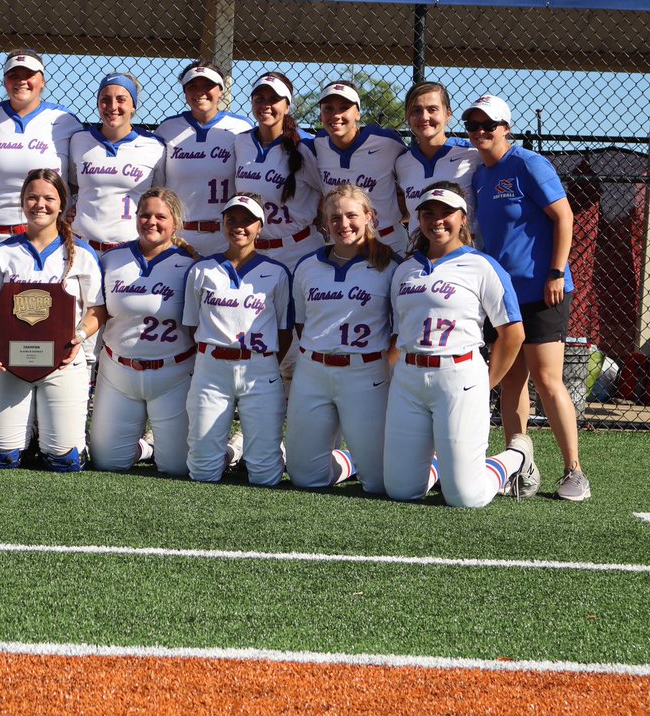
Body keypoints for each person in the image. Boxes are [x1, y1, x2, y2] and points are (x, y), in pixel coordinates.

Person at [465, 94, 588, 500]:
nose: (480, 132)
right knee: (510, 379)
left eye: (488, 125)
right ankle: (520, 466)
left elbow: (564, 216)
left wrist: (556, 271)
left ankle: (574, 471)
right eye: (473, 125)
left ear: (506, 128)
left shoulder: (529, 164)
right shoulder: (479, 174)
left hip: (541, 289)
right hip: (500, 295)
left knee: (547, 378)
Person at [384, 182, 536, 507]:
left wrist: (486, 383)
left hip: (459, 375)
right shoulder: (405, 270)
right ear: (418, 219)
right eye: (429, 213)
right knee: (401, 490)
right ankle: (447, 466)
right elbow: (398, 334)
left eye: (446, 213)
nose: (437, 221)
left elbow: (513, 333)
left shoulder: (482, 266)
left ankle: (516, 455)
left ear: (463, 218)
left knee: (466, 497)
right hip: (409, 379)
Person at [0, 169, 104, 472]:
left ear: (62, 204)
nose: (40, 204)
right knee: (1, 459)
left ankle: (46, 435)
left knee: (64, 462)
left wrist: (79, 337)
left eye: (49, 198)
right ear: (22, 202)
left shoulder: (82, 254)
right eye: (32, 197)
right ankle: (27, 435)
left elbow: (97, 310)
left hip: (63, 361)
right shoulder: (3, 252)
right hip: (11, 364)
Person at [286, 183, 397, 493]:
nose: (343, 224)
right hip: (314, 372)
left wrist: (380, 368)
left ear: (369, 216)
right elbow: (301, 324)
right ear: (324, 223)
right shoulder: (308, 265)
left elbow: (400, 331)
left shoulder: (390, 266)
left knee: (377, 483)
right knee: (304, 478)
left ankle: (431, 465)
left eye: (351, 215)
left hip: (366, 372)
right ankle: (349, 460)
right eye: (335, 218)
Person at [183, 193, 293, 485]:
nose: (239, 227)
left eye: (248, 221)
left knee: (265, 475)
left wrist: (263, 361)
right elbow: (191, 325)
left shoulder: (277, 273)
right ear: (223, 223)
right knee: (203, 472)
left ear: (260, 226)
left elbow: (284, 330)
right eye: (232, 220)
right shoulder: (201, 270)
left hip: (259, 369)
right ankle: (231, 450)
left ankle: (244, 448)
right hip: (211, 369)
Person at [89, 188, 197, 476]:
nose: (151, 222)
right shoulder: (112, 260)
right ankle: (145, 448)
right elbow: (97, 311)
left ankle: (230, 450)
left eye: (160, 216)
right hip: (118, 372)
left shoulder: (191, 265)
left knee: (178, 469)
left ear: (175, 222)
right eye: (145, 215)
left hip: (173, 375)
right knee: (106, 464)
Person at [0, 49, 82, 242]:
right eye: (14, 75)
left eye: (29, 75)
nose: (21, 81)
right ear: (5, 82)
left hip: (44, 236)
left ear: (42, 81)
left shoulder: (65, 121)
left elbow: (77, 182)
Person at [155, 60, 252, 257]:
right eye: (192, 86)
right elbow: (157, 185)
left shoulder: (241, 128)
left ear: (221, 90)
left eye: (208, 86)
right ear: (184, 92)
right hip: (179, 235)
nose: (200, 92)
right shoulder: (168, 129)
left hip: (225, 235)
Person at [233, 72, 323, 274]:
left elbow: (330, 193)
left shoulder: (306, 145)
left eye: (274, 99)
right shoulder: (241, 142)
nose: (266, 105)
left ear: (288, 106)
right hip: (254, 251)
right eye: (259, 99)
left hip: (299, 249)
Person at [303, 80, 407, 254]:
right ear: (321, 115)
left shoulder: (386, 142)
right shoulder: (318, 144)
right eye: (328, 108)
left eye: (344, 107)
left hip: (387, 240)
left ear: (358, 113)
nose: (336, 115)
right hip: (343, 241)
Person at [69, 72, 166, 253]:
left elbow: (159, 195)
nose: (113, 106)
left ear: (133, 106)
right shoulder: (79, 141)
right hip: (82, 247)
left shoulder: (154, 146)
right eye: (105, 99)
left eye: (121, 99)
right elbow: (74, 185)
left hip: (131, 249)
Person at [395, 81, 481, 237]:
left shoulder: (473, 155)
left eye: (432, 109)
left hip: (464, 252)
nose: (424, 117)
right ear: (408, 116)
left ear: (448, 114)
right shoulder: (402, 162)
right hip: (420, 254)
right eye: (416, 111)